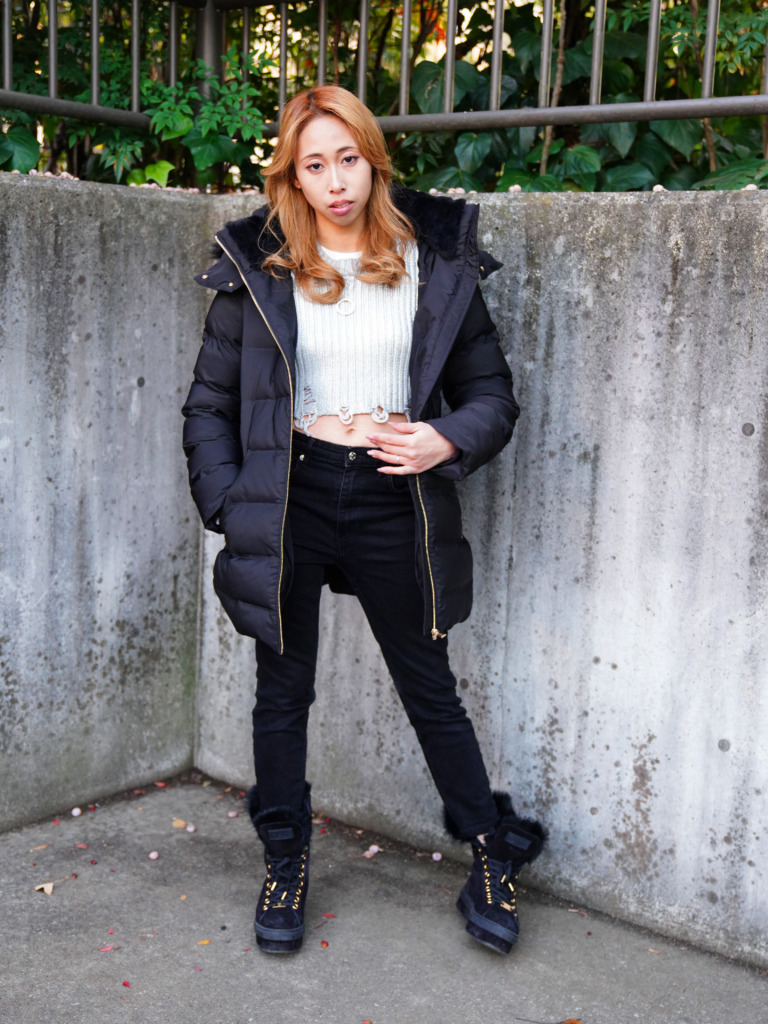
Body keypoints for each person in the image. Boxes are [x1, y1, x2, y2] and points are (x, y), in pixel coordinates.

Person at [182, 85, 545, 956]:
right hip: (292, 492)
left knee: (429, 686)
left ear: (373, 160)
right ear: (292, 178)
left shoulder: (434, 263)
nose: (335, 181)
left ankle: (489, 850)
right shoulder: (259, 268)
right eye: (315, 165)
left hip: (393, 493)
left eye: (348, 158)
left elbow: (492, 396)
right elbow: (207, 407)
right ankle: (285, 858)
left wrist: (444, 439)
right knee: (283, 688)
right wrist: (232, 504)